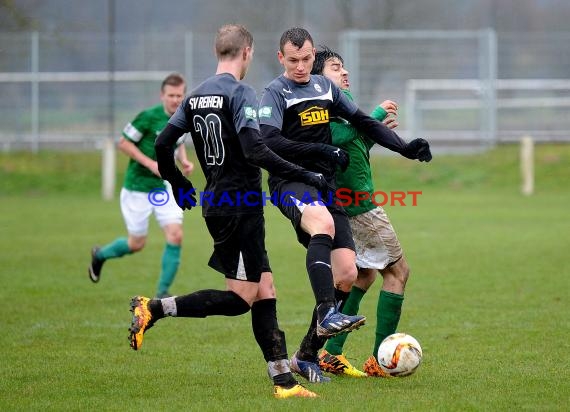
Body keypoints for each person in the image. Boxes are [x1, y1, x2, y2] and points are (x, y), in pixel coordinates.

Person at [128, 24, 334, 399]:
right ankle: (154, 307)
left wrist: (178, 182)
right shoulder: (240, 92)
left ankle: (283, 381)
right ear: (248, 53)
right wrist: (303, 173)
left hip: (223, 204)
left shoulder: (196, 95)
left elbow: (163, 143)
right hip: (238, 206)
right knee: (241, 298)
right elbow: (255, 149)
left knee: (265, 288)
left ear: (217, 51)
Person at [258, 28, 432, 383]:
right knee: (321, 222)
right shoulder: (275, 92)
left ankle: (308, 355)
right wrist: (320, 151)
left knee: (350, 275)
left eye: (307, 59)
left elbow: (363, 122)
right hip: (291, 180)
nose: (302, 66)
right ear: (281, 58)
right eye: (294, 60)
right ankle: (326, 313)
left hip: (326, 184)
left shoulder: (326, 89)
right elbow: (270, 140)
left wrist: (404, 147)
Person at [311, 46, 429, 377]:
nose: (344, 72)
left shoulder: (340, 109)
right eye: (336, 68)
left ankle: (331, 352)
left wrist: (371, 133)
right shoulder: (319, 112)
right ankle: (380, 360)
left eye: (344, 67)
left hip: (352, 208)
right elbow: (333, 136)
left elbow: (353, 147)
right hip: (360, 209)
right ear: (320, 78)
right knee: (398, 272)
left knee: (363, 275)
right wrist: (373, 118)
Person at [88, 73, 194, 298]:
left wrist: (183, 160)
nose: (176, 100)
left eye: (179, 95)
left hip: (163, 188)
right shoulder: (147, 117)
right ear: (162, 96)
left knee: (175, 235)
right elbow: (124, 143)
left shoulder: (184, 116)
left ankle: (162, 293)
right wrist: (150, 163)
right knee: (137, 243)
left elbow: (177, 141)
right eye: (171, 95)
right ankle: (100, 255)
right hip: (137, 188)